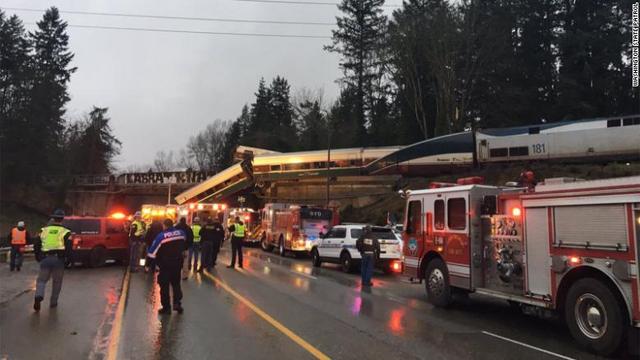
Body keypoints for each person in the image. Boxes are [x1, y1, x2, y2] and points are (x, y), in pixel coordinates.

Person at [33, 209, 72, 311]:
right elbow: (69, 247)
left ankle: (39, 295)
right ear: (62, 219)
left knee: (41, 280)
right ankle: (53, 303)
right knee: (57, 282)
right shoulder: (66, 232)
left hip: (45, 258)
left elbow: (36, 244)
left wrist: (38, 256)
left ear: (53, 218)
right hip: (59, 260)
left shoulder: (43, 230)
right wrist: (68, 260)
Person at [148, 218, 186, 315]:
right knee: (176, 284)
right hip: (177, 263)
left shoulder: (161, 236)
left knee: (164, 286)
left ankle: (166, 308)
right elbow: (184, 243)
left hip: (165, 265)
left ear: (164, 225)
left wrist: (149, 264)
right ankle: (177, 303)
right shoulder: (181, 233)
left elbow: (152, 253)